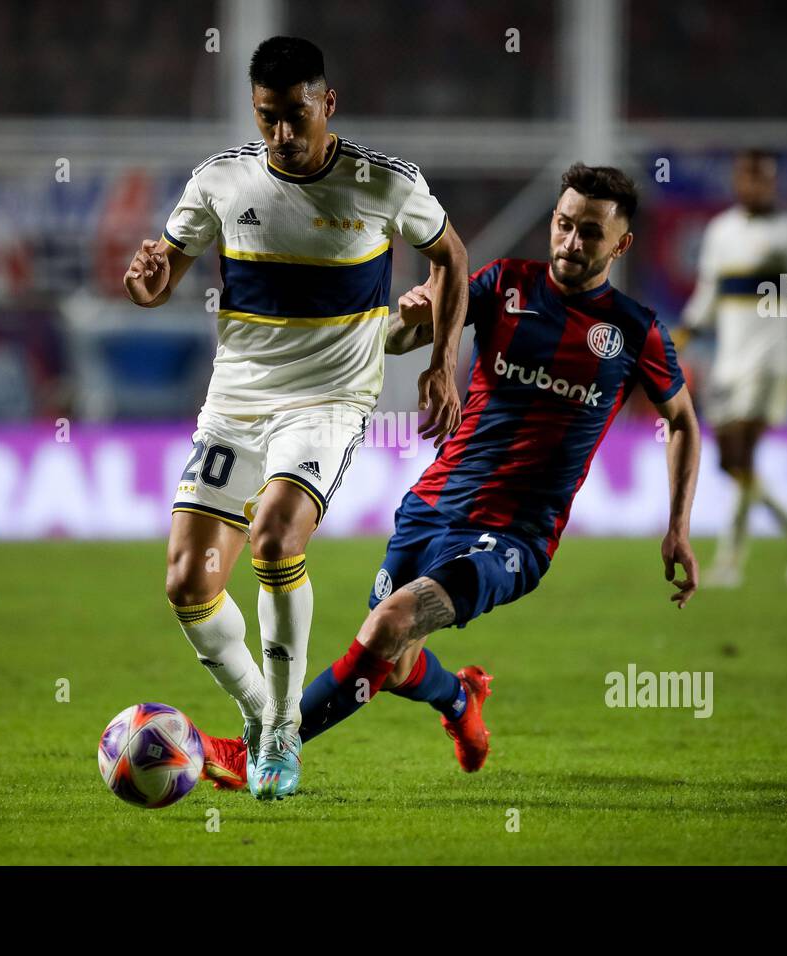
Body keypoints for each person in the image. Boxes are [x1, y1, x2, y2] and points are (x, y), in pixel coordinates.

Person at [199, 164, 701, 793]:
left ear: (621, 244)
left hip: (515, 537)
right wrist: (412, 314)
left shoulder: (634, 330)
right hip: (432, 506)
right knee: (395, 656)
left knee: (386, 629)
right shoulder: (503, 284)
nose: (572, 243)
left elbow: (681, 422)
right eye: (565, 225)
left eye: (591, 234)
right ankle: (460, 700)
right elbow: (404, 339)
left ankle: (264, 748)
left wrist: (678, 525)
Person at [123, 36, 468, 799]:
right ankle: (259, 712)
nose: (282, 135)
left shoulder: (384, 183)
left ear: (328, 103)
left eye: (296, 116)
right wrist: (146, 284)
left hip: (328, 402)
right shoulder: (220, 180)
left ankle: (283, 733)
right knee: (187, 582)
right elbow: (160, 277)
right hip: (237, 403)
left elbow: (452, 257)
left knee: (277, 537)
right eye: (268, 118)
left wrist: (439, 361)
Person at [682, 149, 787, 587]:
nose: (753, 187)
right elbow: (709, 291)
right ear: (737, 182)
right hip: (728, 360)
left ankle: (730, 562)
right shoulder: (722, 230)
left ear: (773, 182)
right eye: (746, 179)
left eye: (762, 180)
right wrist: (685, 333)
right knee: (733, 460)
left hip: (773, 358)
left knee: (738, 455)